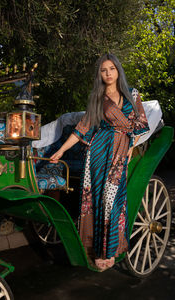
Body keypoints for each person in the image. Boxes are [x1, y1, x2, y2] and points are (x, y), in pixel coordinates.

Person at [50, 53, 149, 271]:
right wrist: (61, 150)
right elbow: (83, 128)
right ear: (99, 74)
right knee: (94, 200)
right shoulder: (96, 98)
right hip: (97, 152)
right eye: (104, 70)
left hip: (120, 150)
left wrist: (131, 145)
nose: (108, 74)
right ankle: (96, 250)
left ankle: (110, 249)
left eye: (112, 69)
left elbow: (141, 123)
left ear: (118, 70)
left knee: (111, 200)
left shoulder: (132, 95)